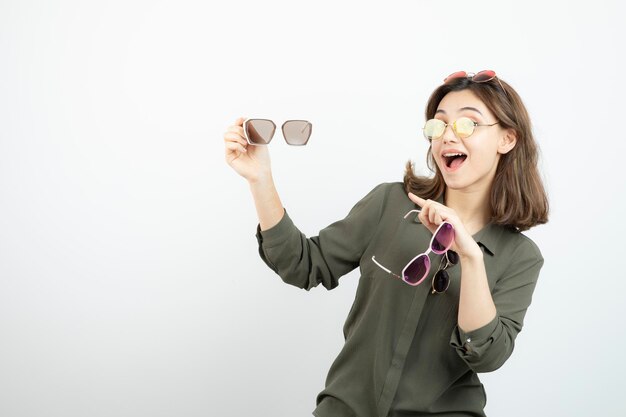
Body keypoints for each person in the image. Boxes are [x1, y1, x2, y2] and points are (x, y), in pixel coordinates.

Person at [222, 70, 549, 417]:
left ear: (507, 139)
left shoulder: (521, 257)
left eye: (468, 124)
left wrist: (470, 256)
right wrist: (260, 179)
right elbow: (303, 266)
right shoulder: (390, 203)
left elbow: (486, 354)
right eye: (438, 125)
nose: (447, 136)